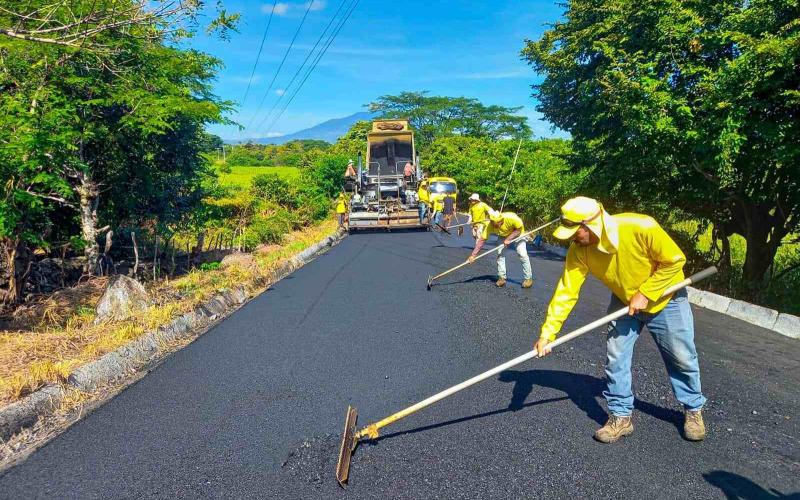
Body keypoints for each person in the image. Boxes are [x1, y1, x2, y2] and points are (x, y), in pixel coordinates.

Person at [534, 196, 706, 444]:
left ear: (592, 224)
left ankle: (693, 410)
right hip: (625, 300)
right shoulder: (579, 250)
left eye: (575, 232)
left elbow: (675, 261)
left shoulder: (640, 227)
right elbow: (566, 291)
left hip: (667, 297)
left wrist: (646, 292)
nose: (572, 238)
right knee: (616, 356)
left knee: (681, 356)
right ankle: (620, 416)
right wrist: (547, 334)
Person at [467, 211, 533, 288]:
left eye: (495, 223)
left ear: (501, 221)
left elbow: (519, 229)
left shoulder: (512, 218)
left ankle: (528, 279)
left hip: (517, 233)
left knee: (522, 254)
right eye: (492, 222)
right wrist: (473, 255)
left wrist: (509, 238)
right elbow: (482, 240)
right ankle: (502, 278)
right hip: (503, 235)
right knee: (500, 255)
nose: (493, 225)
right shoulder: (490, 225)